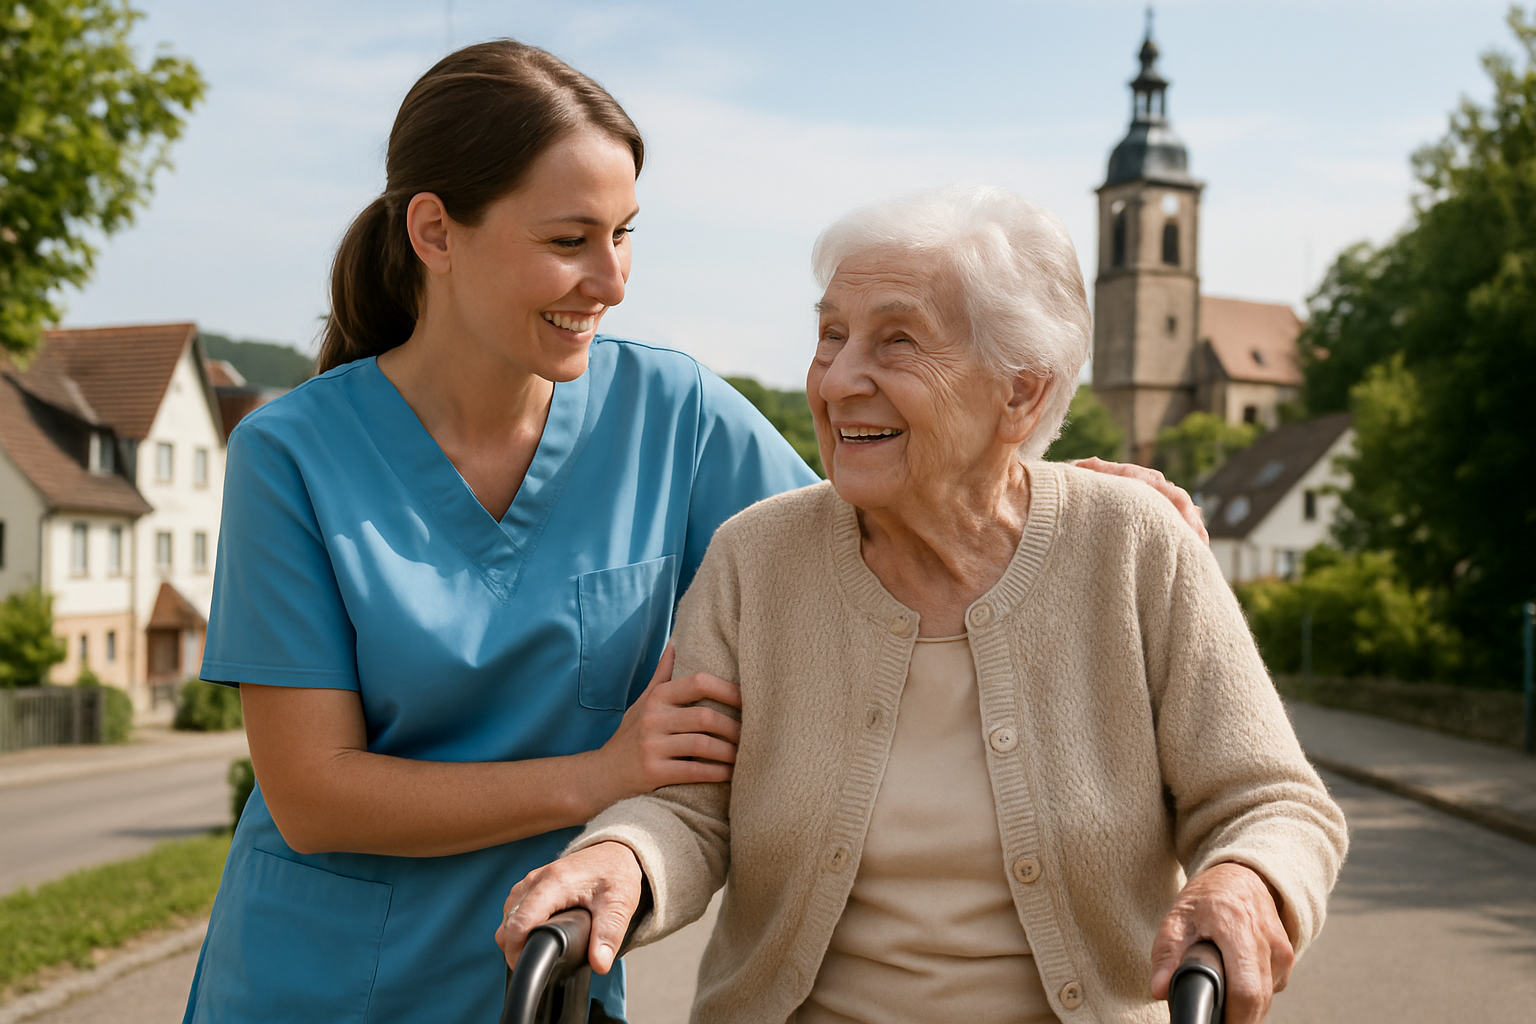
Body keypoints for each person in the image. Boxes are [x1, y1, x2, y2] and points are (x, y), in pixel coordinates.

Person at [498, 187, 1350, 1024]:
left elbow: (1271, 802)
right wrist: (623, 854)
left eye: (896, 341)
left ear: (1019, 393)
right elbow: (688, 808)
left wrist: (1245, 878)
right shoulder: (755, 559)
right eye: (831, 334)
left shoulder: (1133, 545)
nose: (837, 379)